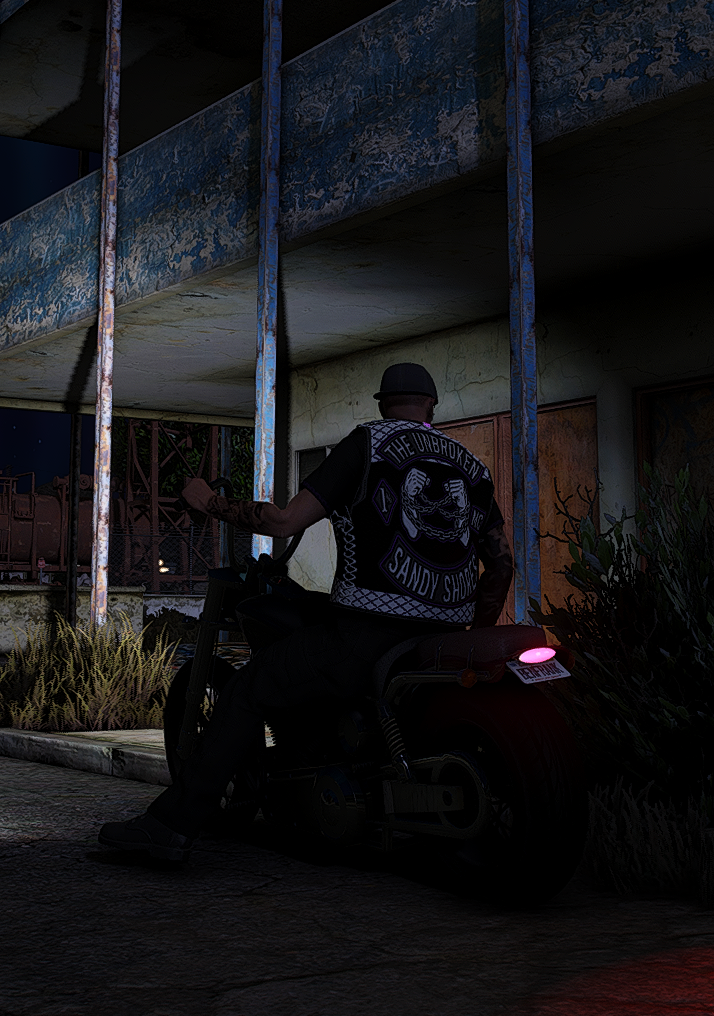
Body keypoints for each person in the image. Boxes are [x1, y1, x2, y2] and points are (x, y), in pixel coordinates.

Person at [98, 362, 514, 861]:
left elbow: (282, 521)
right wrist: (468, 634)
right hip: (438, 641)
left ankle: (171, 827)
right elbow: (501, 567)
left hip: (367, 636)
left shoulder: (369, 444)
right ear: (431, 405)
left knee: (249, 691)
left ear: (383, 402)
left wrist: (211, 502)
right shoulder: (472, 467)